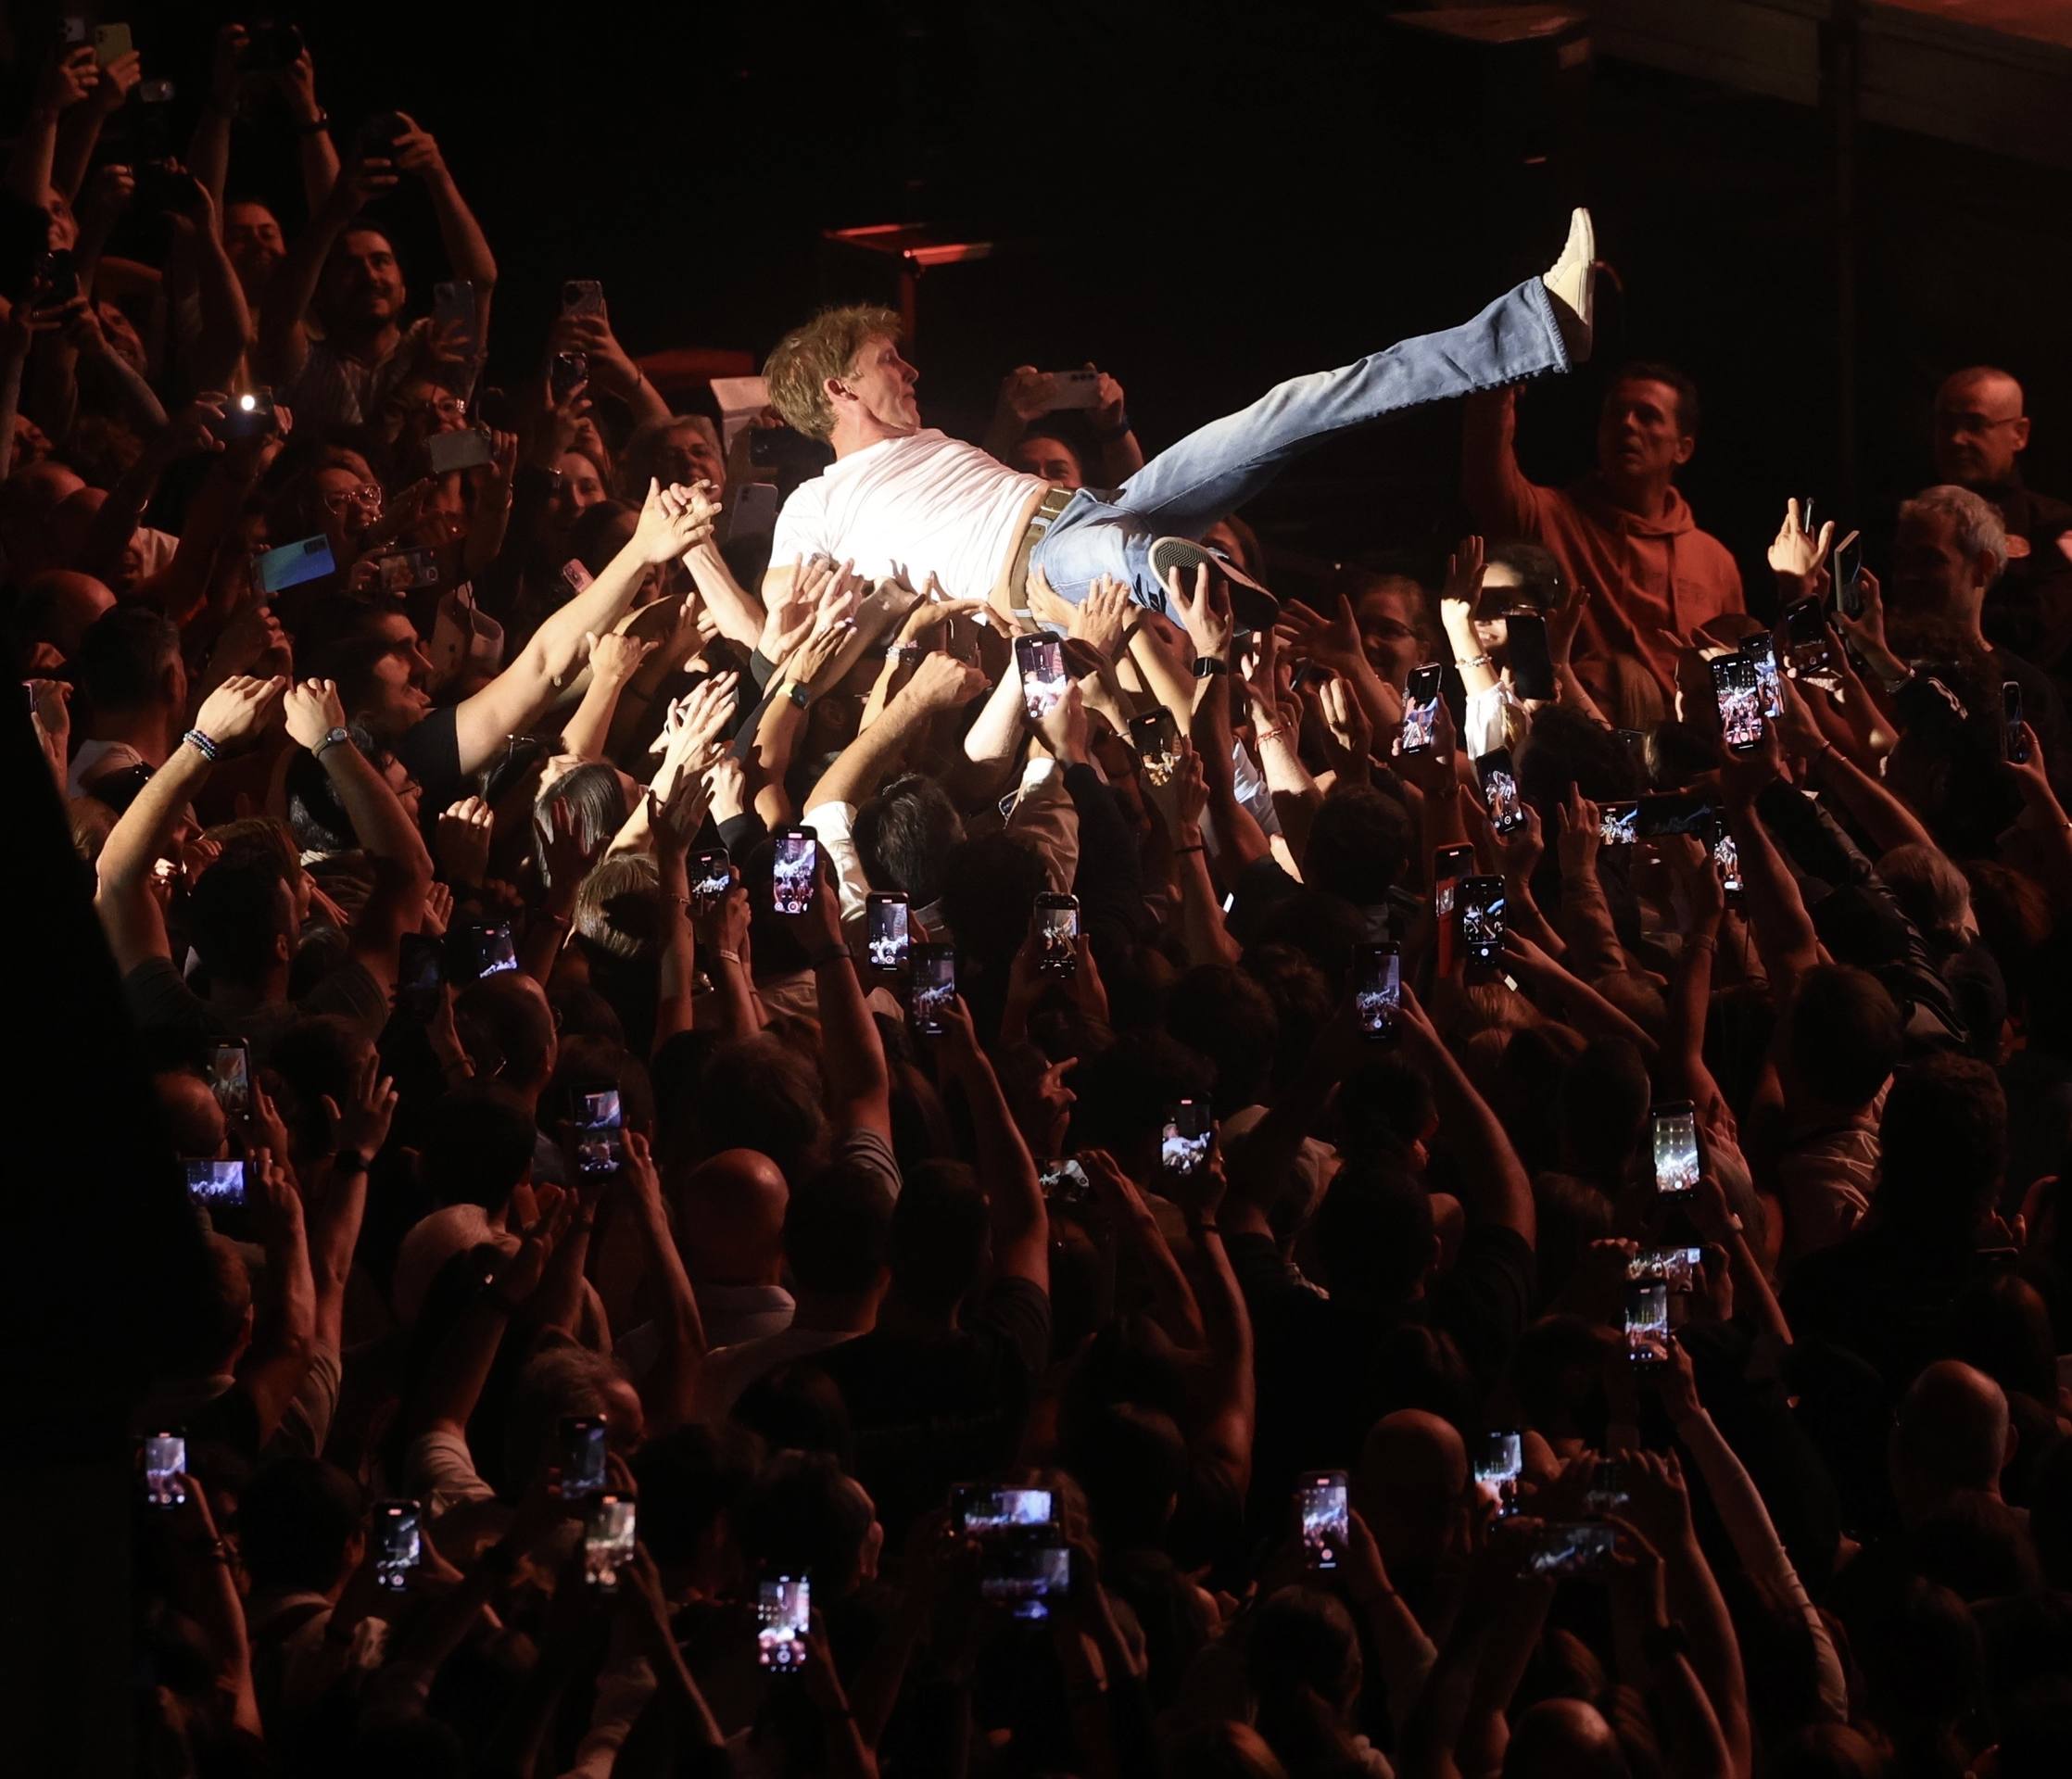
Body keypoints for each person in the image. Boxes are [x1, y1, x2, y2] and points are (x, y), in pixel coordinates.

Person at [751, 210, 1598, 624]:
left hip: (1096, 505)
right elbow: (775, 615)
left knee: (1291, 405)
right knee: (1128, 556)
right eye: (887, 361)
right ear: (838, 391)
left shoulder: (936, 444)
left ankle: (1540, 326)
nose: (911, 367)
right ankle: (1241, 613)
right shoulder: (815, 507)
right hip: (1045, 573)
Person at [1462, 358, 1747, 723]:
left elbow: (1739, 662)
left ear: (1683, 448)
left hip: (1691, 755)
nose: (1627, 425)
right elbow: (1486, 481)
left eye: (1647, 416)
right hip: (1587, 742)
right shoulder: (1554, 516)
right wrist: (1496, 390)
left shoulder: (1714, 560)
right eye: (1615, 414)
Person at [1929, 364, 2072, 668]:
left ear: (2019, 434)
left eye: (1975, 424)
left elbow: (2041, 632)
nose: (1957, 439)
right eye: (1946, 424)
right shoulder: (1907, 520)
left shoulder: (2055, 526)